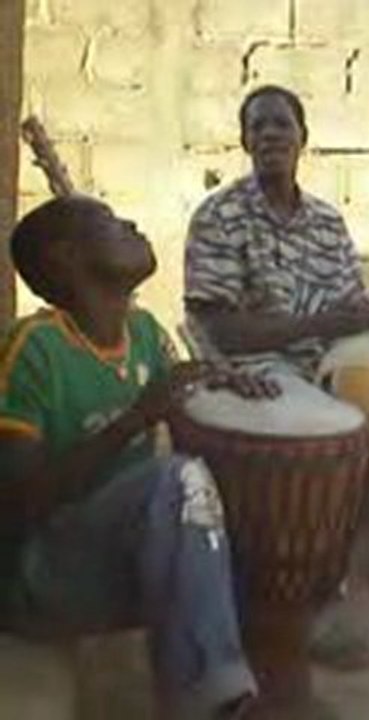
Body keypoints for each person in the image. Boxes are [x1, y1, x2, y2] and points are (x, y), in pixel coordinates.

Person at [183, 85, 369, 646]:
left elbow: (352, 310)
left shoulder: (325, 220)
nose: (270, 133)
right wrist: (322, 327)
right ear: (245, 141)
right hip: (254, 368)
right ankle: (316, 598)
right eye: (258, 126)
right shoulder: (220, 216)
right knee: (328, 426)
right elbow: (221, 330)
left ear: (303, 140)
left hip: (327, 360)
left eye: (282, 124)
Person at [0, 196, 283, 719]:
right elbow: (18, 501)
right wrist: (134, 418)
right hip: (41, 578)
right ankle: (209, 705)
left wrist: (220, 388)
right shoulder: (33, 348)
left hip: (122, 558)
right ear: (66, 258)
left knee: (227, 505)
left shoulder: (147, 333)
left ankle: (248, 683)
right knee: (175, 481)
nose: (130, 222)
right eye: (108, 221)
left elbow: (181, 400)